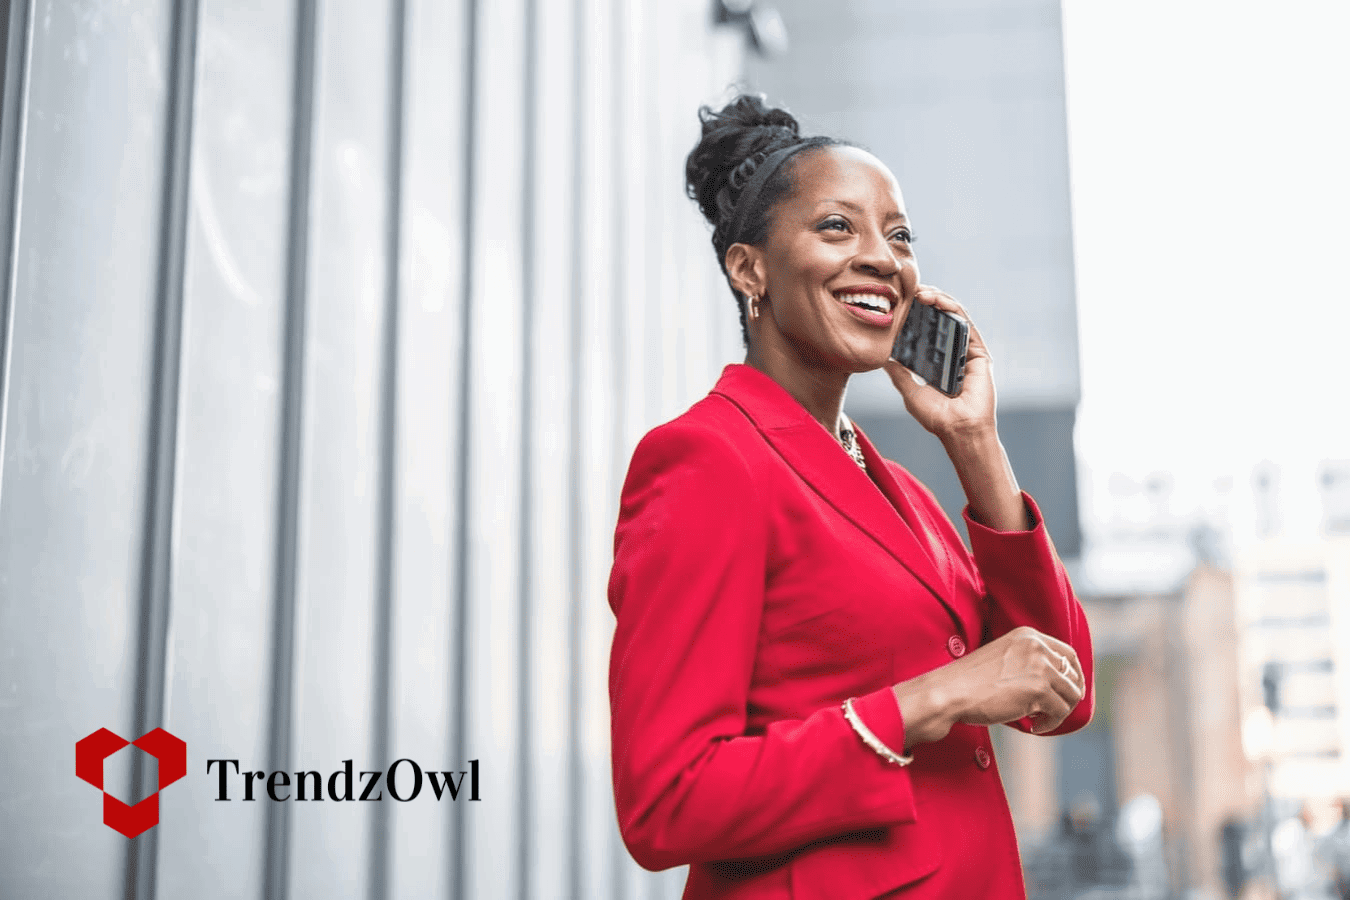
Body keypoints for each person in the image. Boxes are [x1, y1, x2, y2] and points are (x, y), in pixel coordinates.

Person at [606, 94, 1094, 899]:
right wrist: (934, 697)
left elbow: (1060, 693)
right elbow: (666, 801)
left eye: (899, 236)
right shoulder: (705, 460)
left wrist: (975, 445)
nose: (883, 258)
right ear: (748, 267)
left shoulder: (898, 487)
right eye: (838, 227)